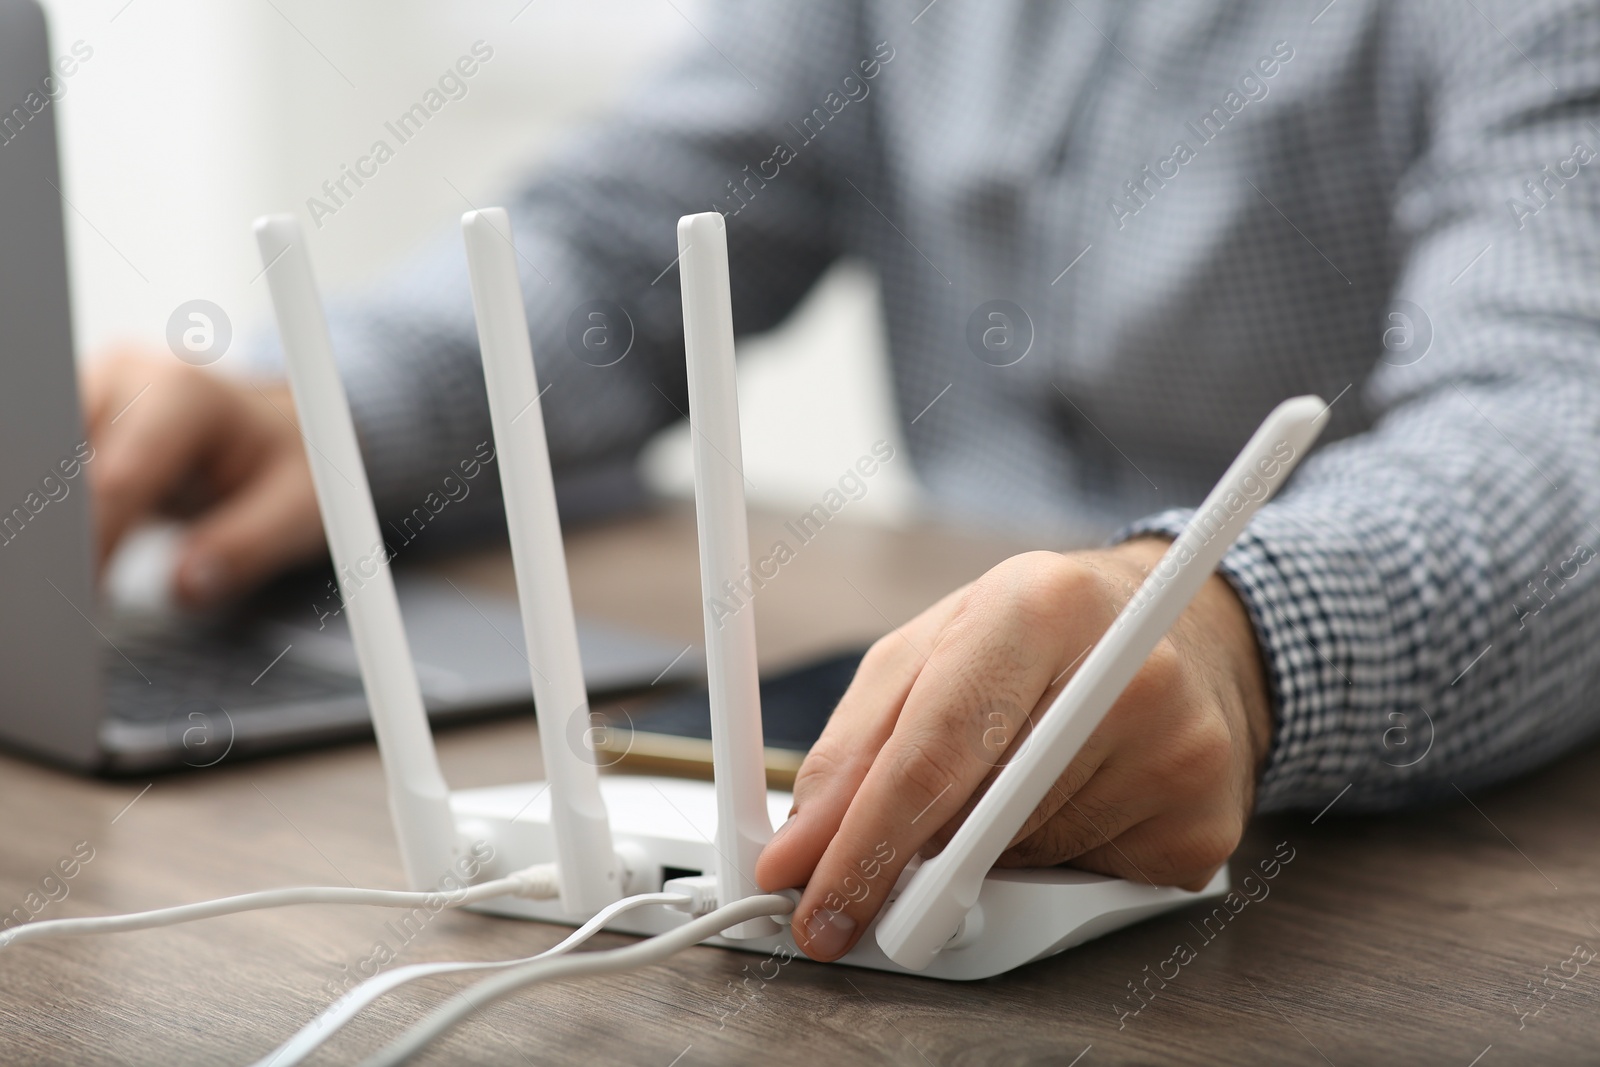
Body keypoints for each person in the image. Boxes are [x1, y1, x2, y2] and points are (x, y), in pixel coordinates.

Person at [84, 0, 1600, 963]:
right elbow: (613, 243)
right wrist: (316, 407)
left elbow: (1559, 413)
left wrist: (1226, 630)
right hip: (894, 789)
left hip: (1386, 860)